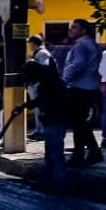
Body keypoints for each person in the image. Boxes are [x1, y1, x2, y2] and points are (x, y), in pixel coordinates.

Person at [60, 18, 102, 165]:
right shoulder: (93, 44)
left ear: (83, 30)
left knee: (78, 123)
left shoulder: (81, 45)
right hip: (91, 86)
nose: (71, 30)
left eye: (75, 27)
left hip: (79, 87)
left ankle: (82, 154)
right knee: (80, 122)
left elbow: (78, 64)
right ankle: (90, 152)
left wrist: (64, 79)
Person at [24, 58, 71, 189]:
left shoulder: (48, 83)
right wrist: (26, 106)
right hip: (55, 120)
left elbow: (45, 100)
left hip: (55, 120)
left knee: (55, 153)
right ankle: (50, 180)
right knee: (51, 153)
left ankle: (59, 182)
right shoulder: (50, 79)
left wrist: (41, 110)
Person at [26, 34, 55, 138]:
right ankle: (38, 130)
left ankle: (42, 131)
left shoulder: (42, 53)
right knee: (37, 109)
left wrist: (31, 63)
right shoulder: (39, 52)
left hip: (39, 84)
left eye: (30, 43)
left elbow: (44, 68)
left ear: (33, 44)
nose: (29, 46)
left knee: (40, 108)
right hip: (36, 84)